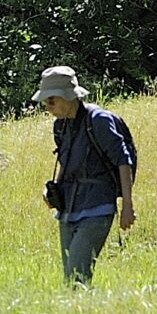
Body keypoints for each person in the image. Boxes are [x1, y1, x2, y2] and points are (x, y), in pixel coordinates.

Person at [37, 65, 136, 285]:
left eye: (51, 101)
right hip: (68, 209)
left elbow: (123, 160)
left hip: (98, 206)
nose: (48, 107)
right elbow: (65, 161)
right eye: (45, 103)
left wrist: (127, 205)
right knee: (71, 278)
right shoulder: (60, 126)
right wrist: (51, 190)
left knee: (77, 276)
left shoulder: (99, 120)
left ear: (68, 96)